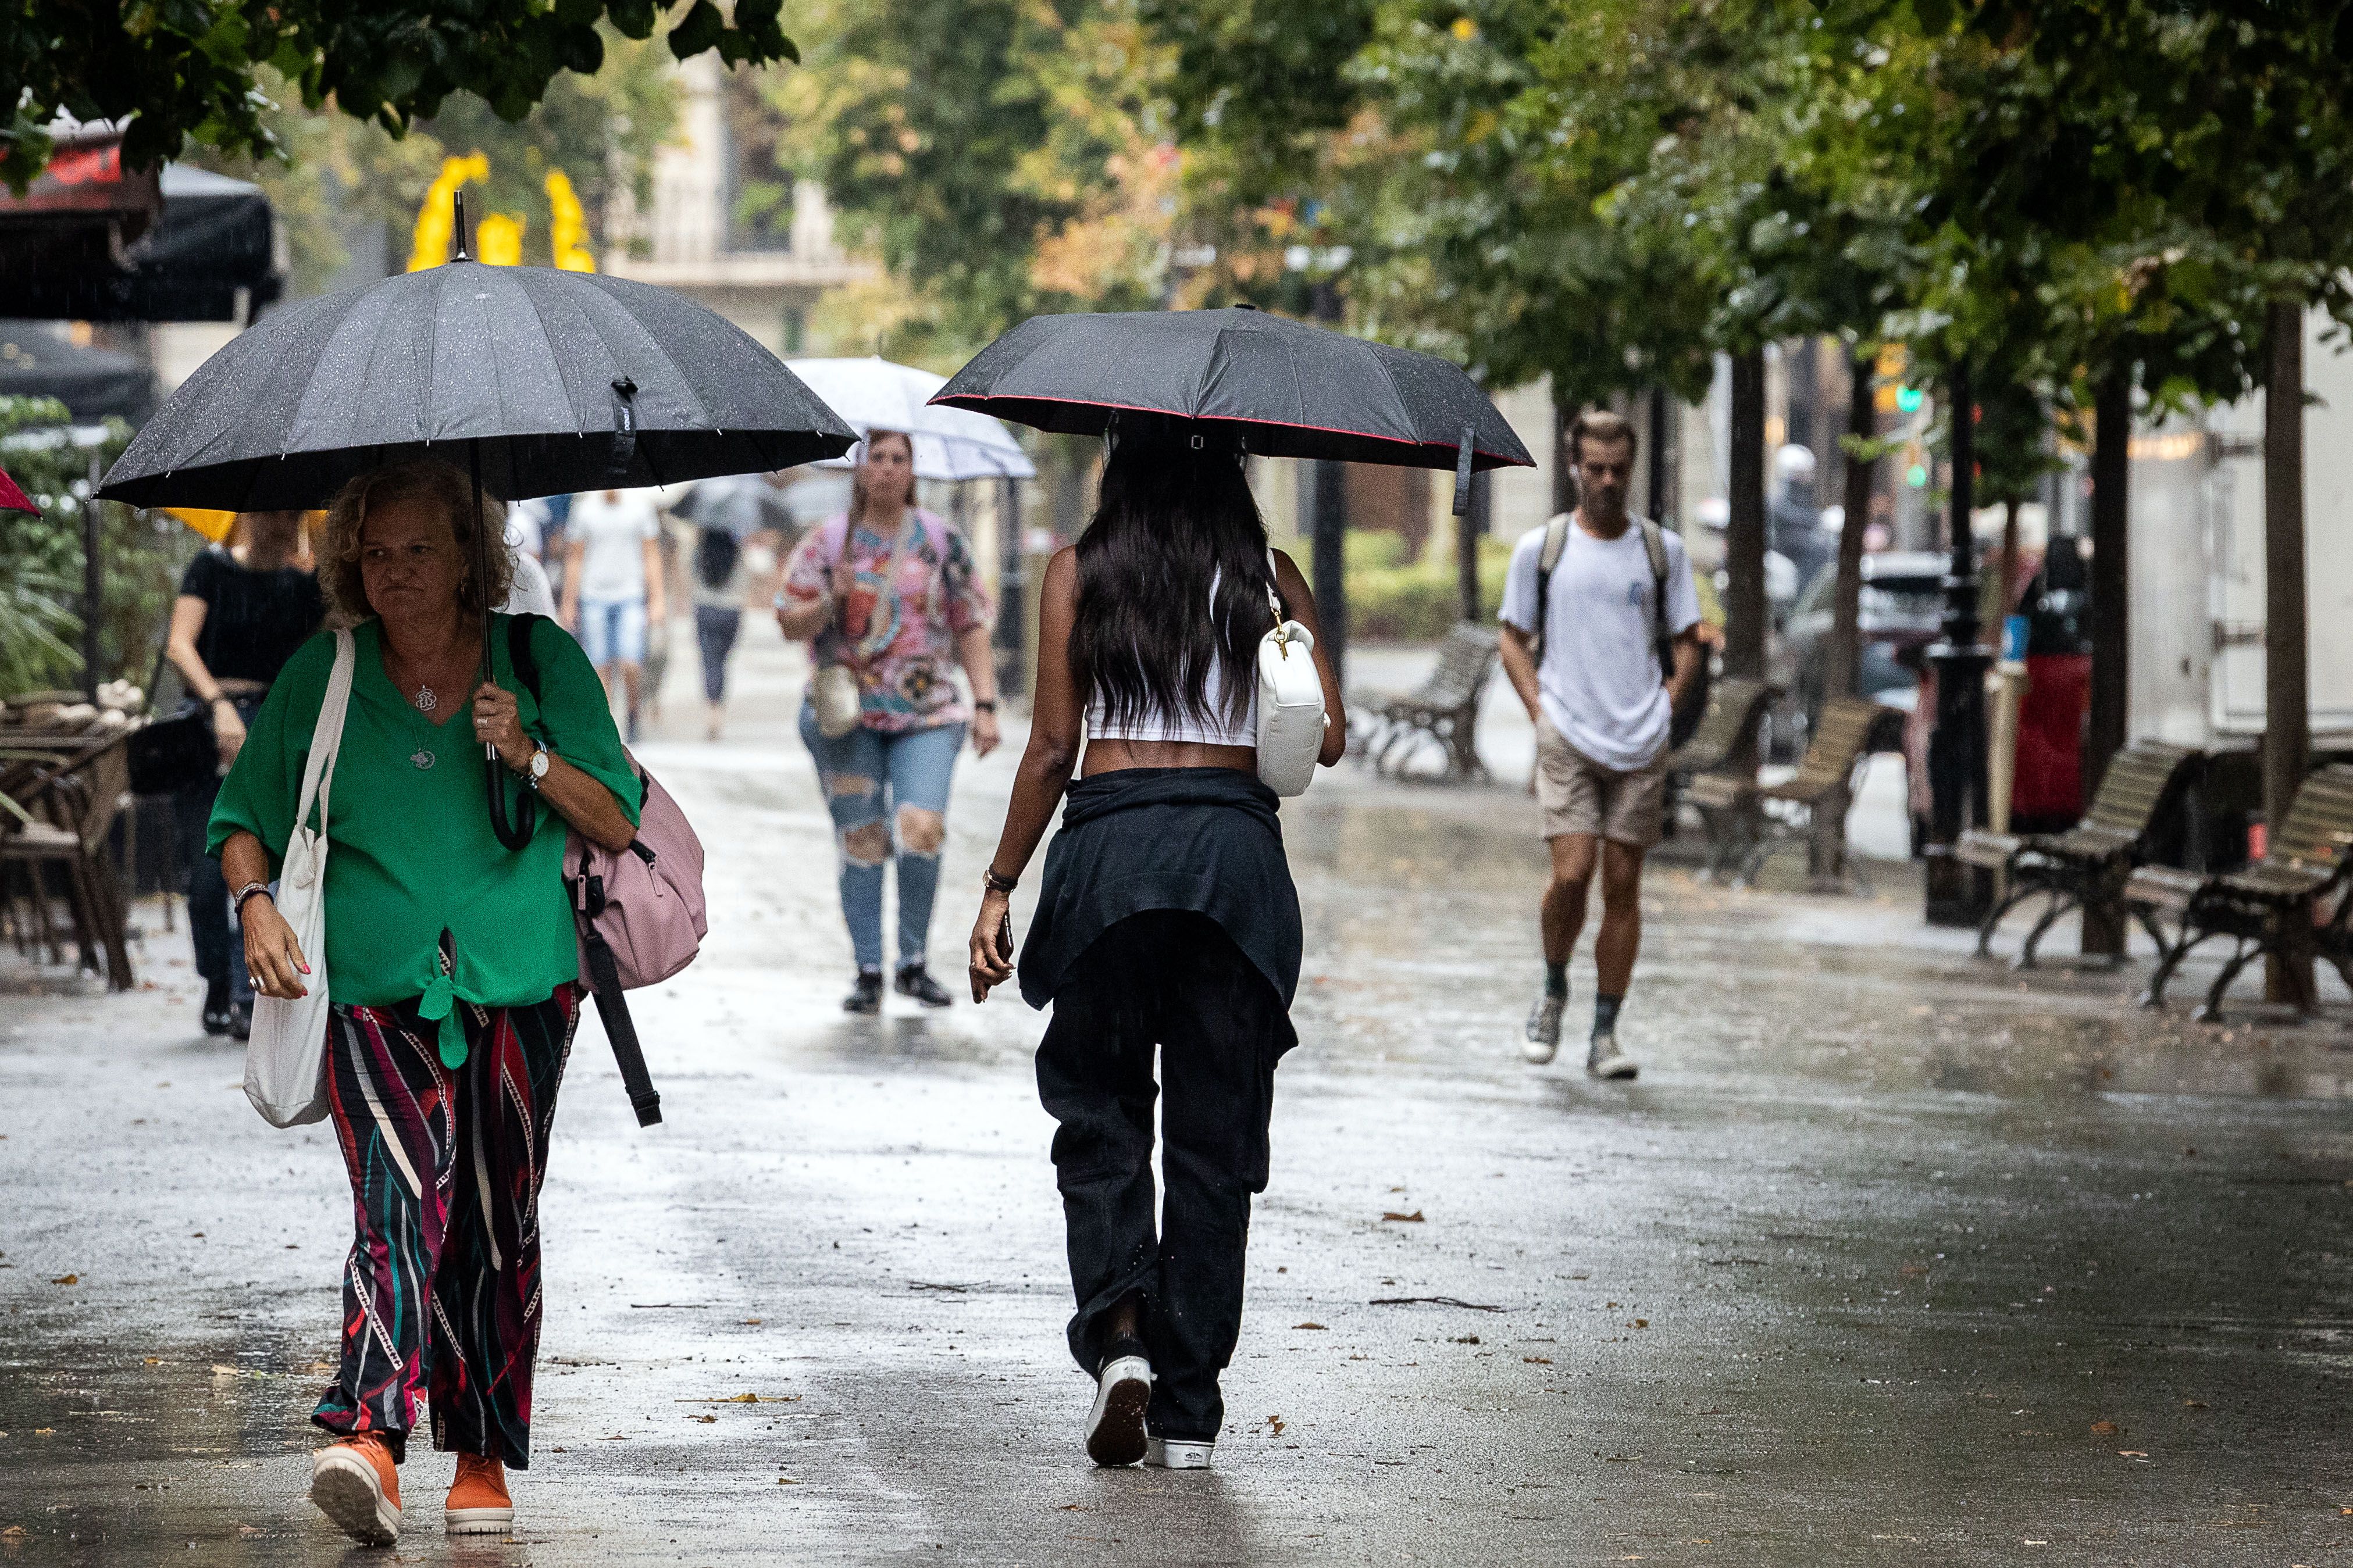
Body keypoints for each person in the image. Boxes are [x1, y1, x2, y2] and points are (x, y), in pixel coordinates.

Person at [209, 459, 640, 1548]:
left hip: (519, 978)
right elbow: (241, 813)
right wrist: (257, 904)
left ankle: (481, 1452)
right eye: (375, 551)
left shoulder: (539, 659)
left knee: (496, 1218)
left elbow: (617, 818)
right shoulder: (328, 672)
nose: (394, 571)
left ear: (469, 560)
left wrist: (528, 752)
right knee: (398, 1202)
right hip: (369, 981)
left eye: (420, 550)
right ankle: (369, 1438)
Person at [966, 424, 1345, 1472]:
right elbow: (1329, 736)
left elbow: (1052, 746)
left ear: (1117, 471)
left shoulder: (1076, 573)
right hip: (1233, 866)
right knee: (1213, 1145)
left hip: (1109, 865)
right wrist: (1283, 634)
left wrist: (998, 887)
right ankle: (1190, 1408)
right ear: (1233, 475)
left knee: (1099, 1115)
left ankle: (1121, 1334)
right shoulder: (1269, 579)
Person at [1498, 409, 1702, 1080]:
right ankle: (1552, 987)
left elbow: (1686, 641)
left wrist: (1665, 706)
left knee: (1622, 884)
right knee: (1571, 872)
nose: (1608, 481)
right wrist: (1540, 714)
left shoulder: (1660, 551)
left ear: (1631, 468)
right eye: (1595, 469)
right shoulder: (1543, 549)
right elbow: (1512, 639)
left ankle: (1605, 1033)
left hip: (1639, 742)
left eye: (1618, 470)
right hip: (1568, 737)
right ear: (1574, 467)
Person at [775, 431, 999, 1012]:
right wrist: (828, 598)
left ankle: (913, 962)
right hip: (848, 716)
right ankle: (868, 970)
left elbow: (970, 622)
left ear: (911, 469)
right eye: (877, 458)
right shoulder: (827, 543)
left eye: (899, 458)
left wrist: (985, 704)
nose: (888, 468)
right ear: (859, 469)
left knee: (920, 828)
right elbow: (787, 622)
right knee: (863, 838)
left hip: (927, 713)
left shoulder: (940, 541)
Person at [163, 510, 323, 1040]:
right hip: (208, 728)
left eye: (291, 512)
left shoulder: (306, 587)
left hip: (275, 729)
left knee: (261, 864)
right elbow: (179, 645)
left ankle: (244, 993)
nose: (279, 521)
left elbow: (327, 651)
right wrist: (218, 705)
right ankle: (216, 980)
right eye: (269, 510)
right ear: (247, 515)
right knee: (206, 876)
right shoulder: (209, 569)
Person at [559, 485, 665, 742]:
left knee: (631, 662)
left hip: (631, 595)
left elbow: (651, 554)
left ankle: (632, 712)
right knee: (600, 667)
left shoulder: (640, 507)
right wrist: (569, 601)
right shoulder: (585, 509)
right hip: (593, 596)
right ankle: (608, 728)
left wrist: (657, 597)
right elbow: (575, 557)